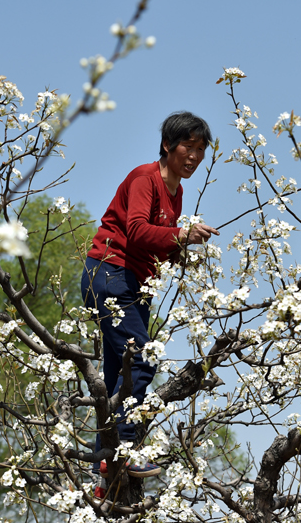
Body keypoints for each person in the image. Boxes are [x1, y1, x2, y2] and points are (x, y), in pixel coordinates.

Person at [81, 111, 219, 482]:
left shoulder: (178, 192)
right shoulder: (145, 178)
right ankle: (125, 451)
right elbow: (139, 232)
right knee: (141, 360)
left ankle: (104, 467)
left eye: (200, 150)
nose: (194, 156)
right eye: (188, 147)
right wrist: (182, 234)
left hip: (134, 284)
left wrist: (180, 253)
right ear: (167, 146)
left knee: (117, 377)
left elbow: (159, 243)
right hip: (109, 273)